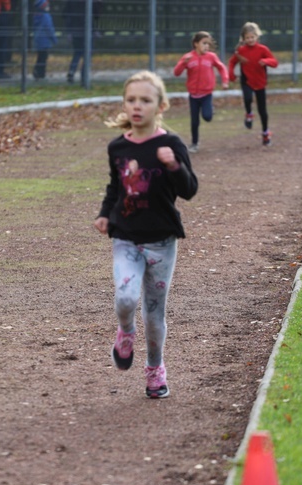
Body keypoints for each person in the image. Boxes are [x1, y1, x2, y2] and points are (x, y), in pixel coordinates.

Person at [94, 71, 198, 399]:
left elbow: (189, 189)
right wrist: (103, 214)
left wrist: (173, 167)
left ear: (161, 105)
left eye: (145, 100)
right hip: (125, 237)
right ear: (125, 104)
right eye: (131, 100)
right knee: (125, 298)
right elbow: (116, 187)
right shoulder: (118, 148)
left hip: (162, 241)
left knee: (154, 315)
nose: (137, 106)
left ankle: (155, 369)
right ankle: (125, 332)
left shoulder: (171, 144)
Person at [172, 31, 229, 154]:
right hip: (193, 95)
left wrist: (225, 81)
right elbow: (176, 73)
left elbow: (221, 67)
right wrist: (183, 63)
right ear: (196, 44)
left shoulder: (211, 57)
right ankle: (194, 143)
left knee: (207, 117)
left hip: (206, 94)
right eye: (204, 43)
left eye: (208, 44)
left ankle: (209, 109)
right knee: (194, 121)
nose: (207, 46)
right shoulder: (188, 57)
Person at [228, 22, 278, 146]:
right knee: (247, 98)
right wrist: (231, 74)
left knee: (262, 110)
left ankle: (266, 133)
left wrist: (265, 61)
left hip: (260, 82)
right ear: (243, 39)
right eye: (247, 38)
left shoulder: (263, 49)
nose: (250, 40)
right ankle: (249, 114)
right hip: (247, 81)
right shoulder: (240, 50)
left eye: (252, 37)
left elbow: (274, 62)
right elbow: (232, 62)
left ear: (257, 36)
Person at [63, 0, 101, 84]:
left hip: (75, 30)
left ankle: (72, 71)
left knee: (77, 52)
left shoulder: (71, 2)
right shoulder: (90, 2)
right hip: (87, 30)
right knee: (87, 53)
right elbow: (96, 15)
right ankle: (84, 76)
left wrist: (69, 29)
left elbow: (65, 14)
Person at [32, 0, 56, 80]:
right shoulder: (46, 16)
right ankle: (40, 72)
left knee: (40, 56)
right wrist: (54, 39)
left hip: (38, 39)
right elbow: (49, 28)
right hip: (45, 39)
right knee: (44, 57)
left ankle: (38, 71)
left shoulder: (36, 16)